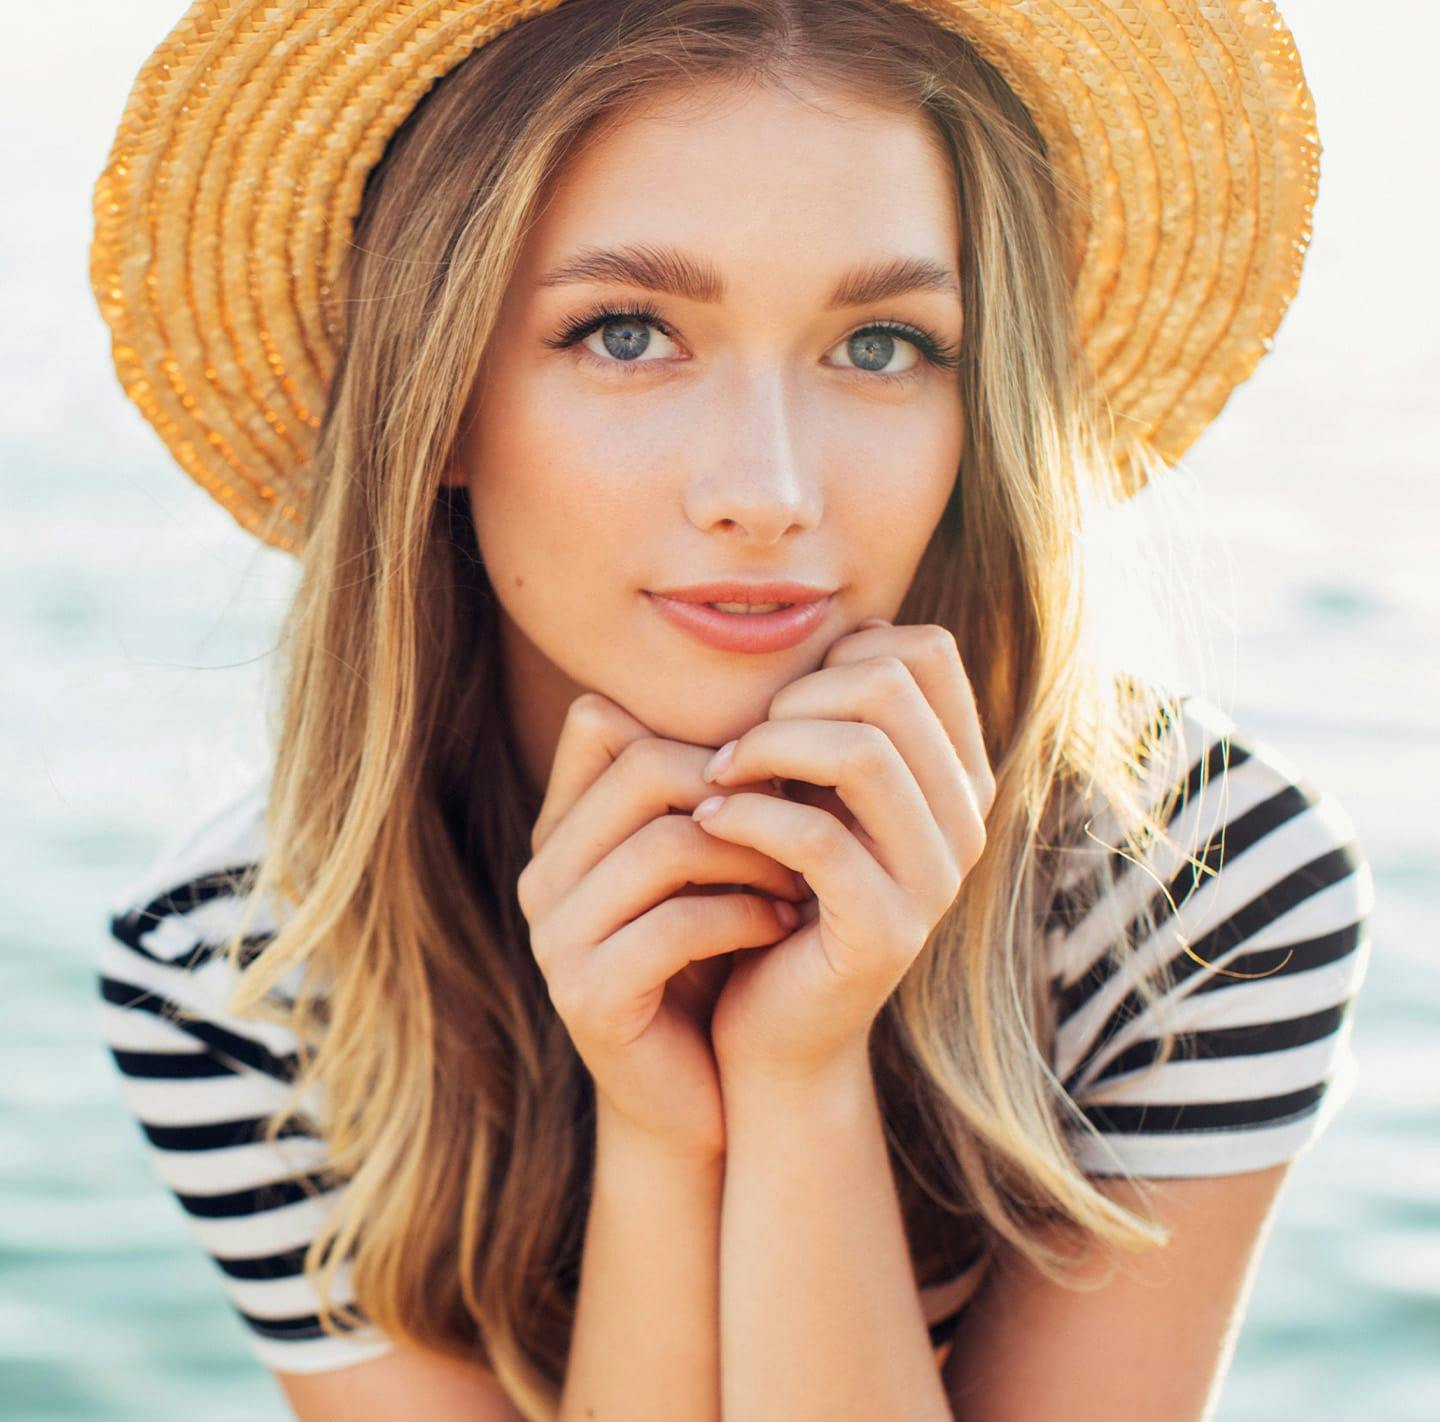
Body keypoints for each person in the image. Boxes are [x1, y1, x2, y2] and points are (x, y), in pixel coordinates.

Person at [90, 1, 1373, 1418]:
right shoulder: (244, 969)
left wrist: (801, 1083)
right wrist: (660, 1139)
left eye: (881, 343)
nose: (768, 489)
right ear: (438, 392)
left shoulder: (1200, 893)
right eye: (627, 332)